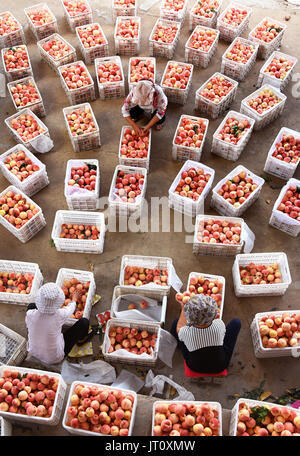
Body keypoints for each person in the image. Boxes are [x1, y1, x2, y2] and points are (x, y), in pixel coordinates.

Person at [171, 294, 241, 374]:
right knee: (236, 322)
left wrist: (183, 307)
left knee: (176, 323)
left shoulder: (186, 332)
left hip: (194, 366)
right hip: (220, 366)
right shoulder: (219, 325)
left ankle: (179, 346)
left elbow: (179, 328)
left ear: (189, 318)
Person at [25, 282, 90, 365]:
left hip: (33, 351)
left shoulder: (30, 314)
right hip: (54, 358)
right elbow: (70, 309)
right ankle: (81, 339)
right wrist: (74, 299)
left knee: (31, 305)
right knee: (84, 322)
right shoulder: (59, 315)